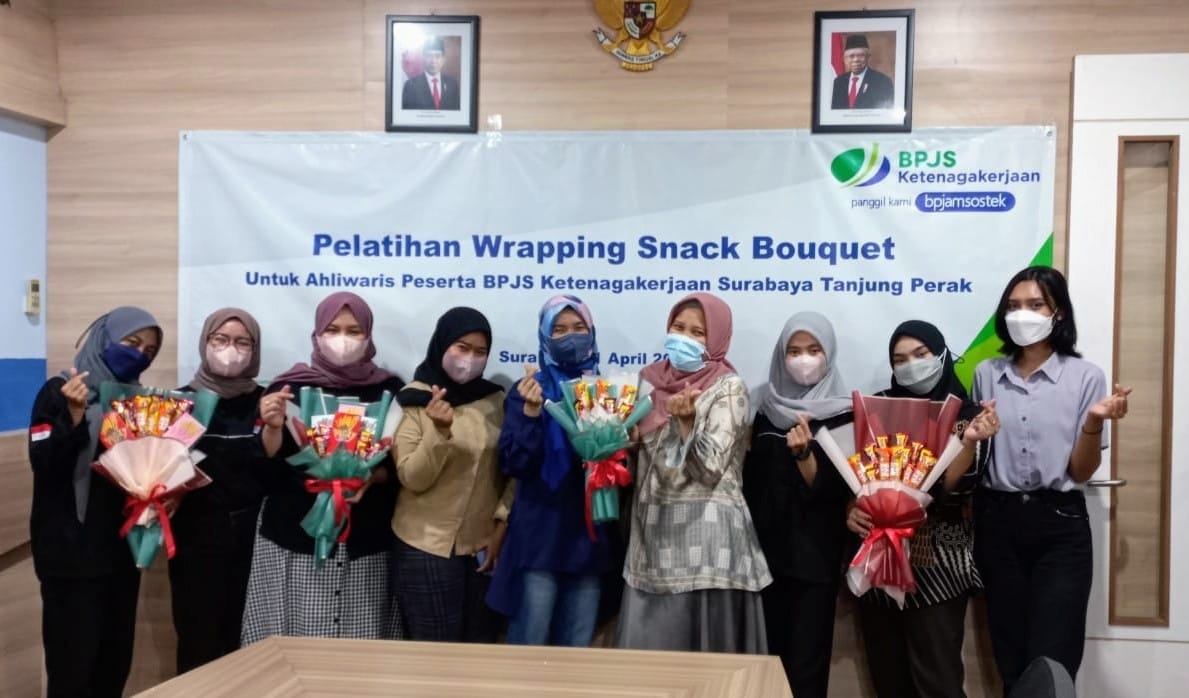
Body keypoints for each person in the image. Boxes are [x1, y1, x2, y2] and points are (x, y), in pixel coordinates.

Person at [972, 266, 1130, 693]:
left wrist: (1094, 422)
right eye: (1013, 306)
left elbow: (1081, 471)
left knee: (1053, 660)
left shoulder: (1086, 376)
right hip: (998, 523)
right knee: (1010, 655)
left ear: (1057, 313)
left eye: (1035, 305)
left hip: (1060, 525)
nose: (1021, 314)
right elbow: (975, 458)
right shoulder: (987, 374)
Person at [846, 320, 1000, 698]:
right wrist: (852, 507)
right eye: (900, 360)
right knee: (888, 679)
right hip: (880, 559)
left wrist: (967, 442)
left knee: (937, 680)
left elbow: (956, 489)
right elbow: (856, 473)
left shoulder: (970, 414)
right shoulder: (878, 409)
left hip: (938, 564)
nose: (911, 366)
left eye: (921, 354)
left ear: (942, 355)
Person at [242, 291, 405, 644]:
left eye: (354, 330)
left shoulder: (390, 391)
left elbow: (398, 470)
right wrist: (272, 427)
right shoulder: (289, 388)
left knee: (360, 646)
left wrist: (370, 476)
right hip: (295, 537)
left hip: (365, 541)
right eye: (332, 329)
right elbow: (265, 474)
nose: (343, 339)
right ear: (316, 334)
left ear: (369, 336)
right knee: (294, 644)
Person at [616, 292, 771, 653]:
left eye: (698, 332)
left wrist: (686, 425)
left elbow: (711, 467)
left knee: (708, 667)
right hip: (652, 541)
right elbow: (638, 463)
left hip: (708, 550)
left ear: (716, 339)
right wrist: (622, 443)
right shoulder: (646, 382)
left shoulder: (728, 387)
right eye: (678, 327)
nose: (684, 337)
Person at [28, 306, 162, 698]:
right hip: (71, 558)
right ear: (104, 338)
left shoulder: (139, 403)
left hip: (120, 555)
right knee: (72, 671)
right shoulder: (60, 390)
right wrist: (73, 417)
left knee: (112, 666)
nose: (139, 355)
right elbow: (44, 464)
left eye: (149, 351)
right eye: (131, 342)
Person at [487, 295, 617, 647]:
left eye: (578, 327)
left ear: (592, 332)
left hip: (589, 539)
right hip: (539, 537)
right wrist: (531, 414)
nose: (570, 336)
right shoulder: (528, 390)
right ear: (544, 336)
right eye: (558, 330)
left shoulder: (606, 394)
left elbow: (616, 470)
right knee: (529, 645)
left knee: (577, 650)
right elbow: (514, 464)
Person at [741, 311, 854, 696]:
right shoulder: (761, 406)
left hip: (814, 559)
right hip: (762, 558)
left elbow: (839, 491)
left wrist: (805, 455)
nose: (803, 359)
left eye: (813, 349)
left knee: (806, 668)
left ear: (829, 353)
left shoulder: (845, 413)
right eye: (794, 351)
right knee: (763, 664)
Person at [392, 307, 512, 642]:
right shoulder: (413, 399)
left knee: (481, 646)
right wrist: (439, 431)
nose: (469, 359)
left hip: (483, 547)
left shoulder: (495, 399)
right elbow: (413, 478)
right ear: (442, 344)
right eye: (462, 347)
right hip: (425, 546)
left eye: (480, 352)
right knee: (435, 652)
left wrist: (501, 524)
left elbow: (512, 468)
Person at [168, 308, 267, 674]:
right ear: (205, 342)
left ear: (254, 350)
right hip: (196, 538)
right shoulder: (178, 403)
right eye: (221, 339)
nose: (230, 349)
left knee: (247, 641)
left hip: (255, 541)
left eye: (242, 342)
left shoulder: (267, 402)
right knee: (198, 639)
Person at [831, 34, 895, 109]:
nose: (856, 60)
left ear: (868, 57)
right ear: (844, 59)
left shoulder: (882, 81)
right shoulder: (838, 82)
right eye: (851, 56)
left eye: (861, 55)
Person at [401, 36, 461, 111]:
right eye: (429, 56)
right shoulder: (410, 85)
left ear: (443, 60)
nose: (433, 61)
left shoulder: (452, 84)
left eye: (437, 56)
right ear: (423, 58)